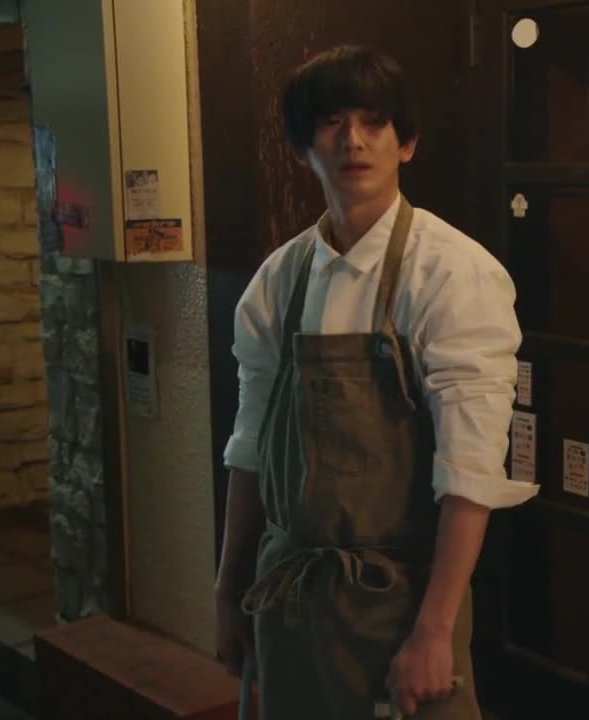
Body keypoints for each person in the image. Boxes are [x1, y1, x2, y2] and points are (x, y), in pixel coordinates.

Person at [212, 44, 537, 720]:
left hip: (405, 604)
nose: (352, 140)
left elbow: (470, 473)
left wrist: (434, 631)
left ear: (406, 142)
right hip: (290, 599)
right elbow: (250, 446)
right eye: (330, 122)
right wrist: (227, 588)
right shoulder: (279, 280)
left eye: (374, 121)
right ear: (302, 148)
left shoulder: (452, 273)